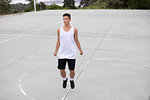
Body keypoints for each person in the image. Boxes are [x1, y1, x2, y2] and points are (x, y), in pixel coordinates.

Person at [54, 13, 83, 89]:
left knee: (72, 70)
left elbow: (77, 41)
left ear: (70, 19)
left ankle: (71, 80)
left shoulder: (74, 30)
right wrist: (56, 51)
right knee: (61, 70)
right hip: (62, 54)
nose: (65, 20)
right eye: (63, 19)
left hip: (71, 54)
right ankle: (64, 79)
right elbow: (58, 41)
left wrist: (80, 50)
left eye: (66, 19)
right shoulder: (59, 30)